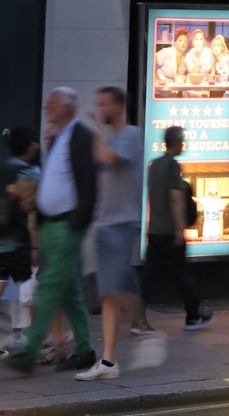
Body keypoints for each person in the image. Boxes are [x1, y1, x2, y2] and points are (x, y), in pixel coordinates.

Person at [5, 88, 98, 374]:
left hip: (67, 225)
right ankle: (85, 350)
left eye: (53, 104)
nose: (47, 108)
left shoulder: (82, 137)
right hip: (51, 225)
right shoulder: (58, 138)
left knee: (48, 287)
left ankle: (29, 352)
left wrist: (76, 223)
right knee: (69, 291)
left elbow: (88, 184)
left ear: (67, 108)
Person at [75, 87, 151, 381]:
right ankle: (108, 361)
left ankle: (145, 329)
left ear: (119, 106)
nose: (100, 109)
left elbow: (107, 159)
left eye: (104, 104)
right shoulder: (111, 137)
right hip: (106, 224)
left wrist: (96, 129)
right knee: (108, 293)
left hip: (122, 224)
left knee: (117, 289)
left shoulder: (130, 135)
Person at [143, 126, 213, 330]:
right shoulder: (173, 166)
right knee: (183, 274)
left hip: (155, 230)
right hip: (170, 232)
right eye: (182, 140)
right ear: (177, 142)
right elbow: (175, 198)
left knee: (149, 276)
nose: (184, 144)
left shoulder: (154, 165)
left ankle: (137, 319)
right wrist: (180, 229)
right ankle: (193, 316)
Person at [0, 128, 38, 358]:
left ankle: (16, 335)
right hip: (19, 240)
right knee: (26, 288)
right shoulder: (27, 172)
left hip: (2, 237)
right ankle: (27, 338)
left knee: (6, 284)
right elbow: (30, 210)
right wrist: (35, 246)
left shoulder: (4, 168)